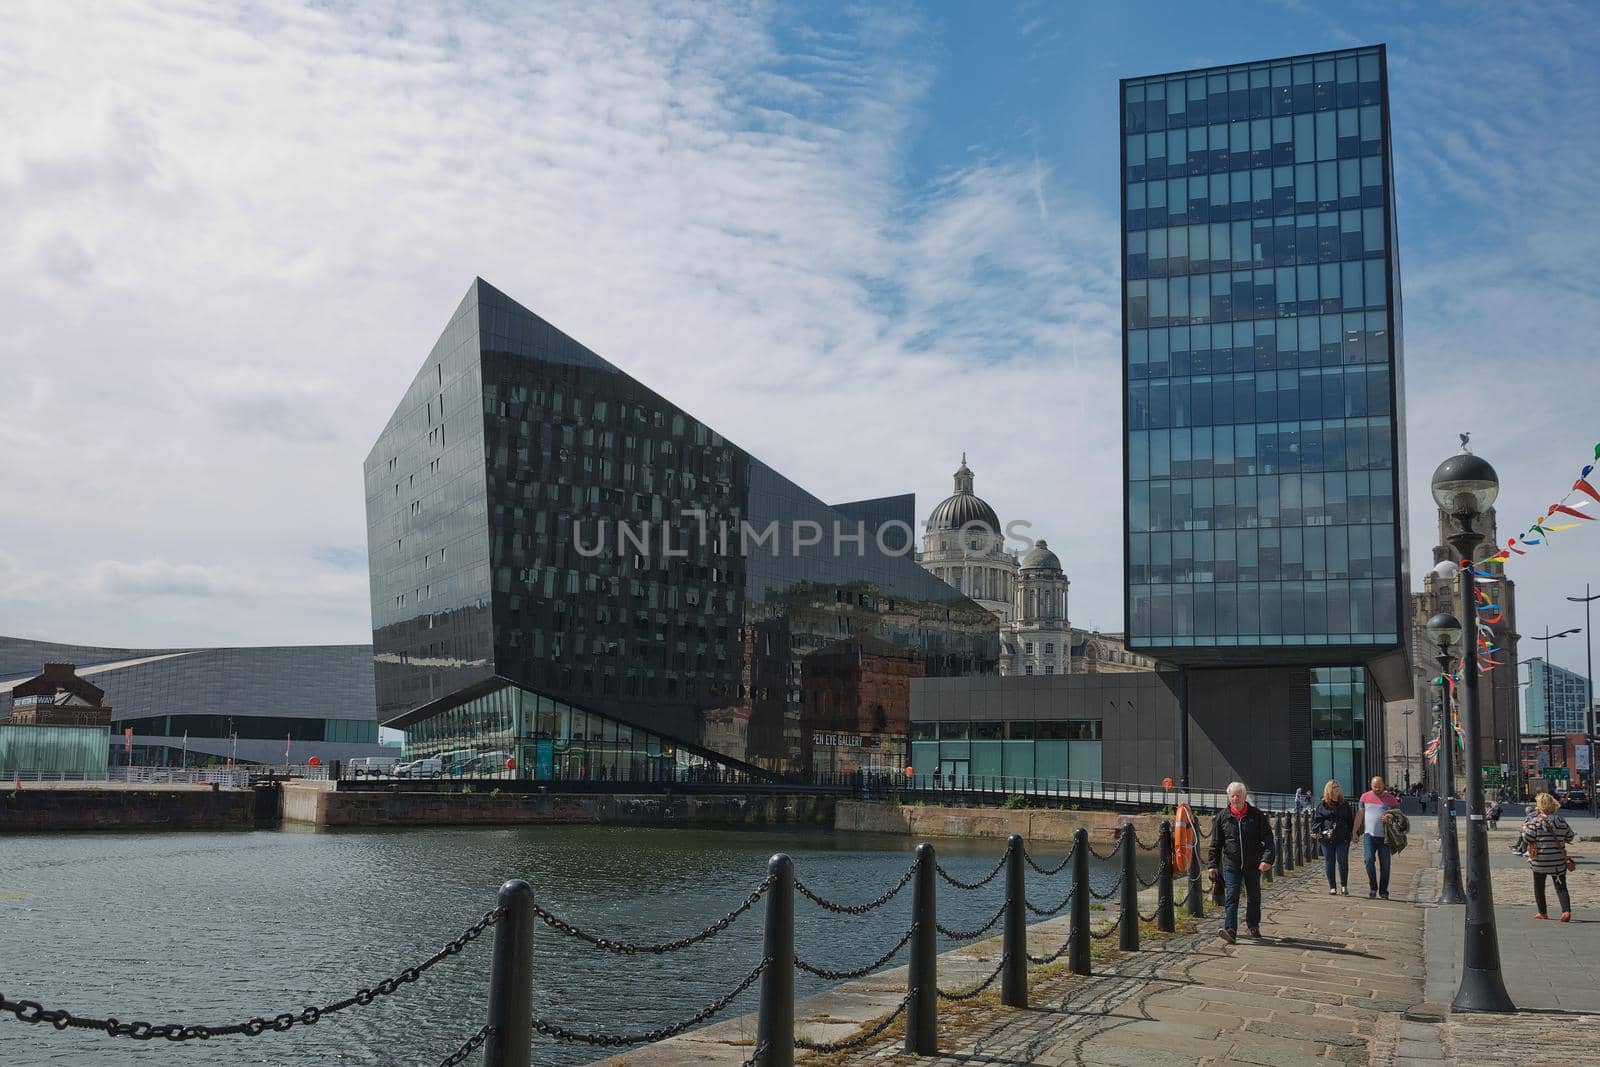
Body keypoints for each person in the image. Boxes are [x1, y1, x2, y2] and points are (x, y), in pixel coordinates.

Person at [1207, 780, 1276, 943]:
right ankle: (1230, 930)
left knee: (1254, 896)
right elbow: (1216, 843)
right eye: (1232, 796)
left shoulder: (1257, 815)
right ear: (1228, 797)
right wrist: (1212, 865)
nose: (1235, 799)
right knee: (1232, 895)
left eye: (1238, 796)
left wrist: (1267, 859)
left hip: (1253, 863)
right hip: (1232, 863)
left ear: (1245, 796)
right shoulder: (1222, 817)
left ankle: (1253, 925)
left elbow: (1269, 839)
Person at [1520, 792, 1576, 921]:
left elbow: (1528, 838)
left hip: (1540, 861)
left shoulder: (1536, 821)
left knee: (1539, 886)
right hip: (1558, 861)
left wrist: (1524, 830)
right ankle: (1566, 911)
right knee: (1561, 886)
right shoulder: (1561, 820)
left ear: (1539, 805)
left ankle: (1543, 912)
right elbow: (1570, 836)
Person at [1355, 775, 1400, 899]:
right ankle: (1373, 887)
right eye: (1375, 787)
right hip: (1369, 835)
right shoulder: (1364, 797)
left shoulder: (1391, 799)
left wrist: (1390, 817)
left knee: (1385, 865)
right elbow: (1360, 815)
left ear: (1384, 785)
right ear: (1371, 785)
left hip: (1385, 837)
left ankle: (1383, 891)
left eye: (1379, 787)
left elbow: (1399, 817)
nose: (1377, 789)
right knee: (1369, 860)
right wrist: (1355, 831)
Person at [1310, 779, 1355, 895]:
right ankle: (1332, 887)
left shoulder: (1344, 804)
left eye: (1338, 787)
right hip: (1327, 837)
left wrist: (1354, 833)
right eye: (1334, 787)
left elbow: (1350, 820)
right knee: (1329, 861)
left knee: (1342, 860)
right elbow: (1317, 819)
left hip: (1343, 836)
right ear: (1329, 790)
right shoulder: (1323, 805)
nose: (1337, 789)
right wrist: (1314, 831)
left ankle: (1344, 886)